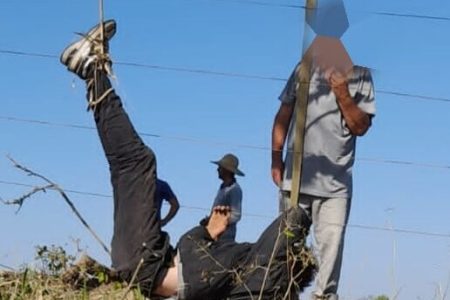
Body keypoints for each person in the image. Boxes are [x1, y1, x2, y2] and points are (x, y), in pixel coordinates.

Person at [60, 20, 316, 300]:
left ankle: (89, 68)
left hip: (145, 263)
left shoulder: (264, 274)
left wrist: (301, 215)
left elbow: (287, 225)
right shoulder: (239, 269)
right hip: (148, 258)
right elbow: (190, 249)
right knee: (130, 166)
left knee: (136, 163)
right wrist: (209, 232)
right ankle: (93, 72)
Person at [271, 38, 376, 300]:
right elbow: (283, 114)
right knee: (286, 251)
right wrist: (276, 158)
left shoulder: (361, 77)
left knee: (330, 257)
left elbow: (360, 127)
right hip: (294, 180)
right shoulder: (302, 70)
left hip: (335, 186)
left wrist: (341, 92)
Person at [210, 153, 243, 240]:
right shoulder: (223, 188)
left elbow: (236, 215)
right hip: (215, 234)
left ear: (226, 170)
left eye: (220, 168)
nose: (217, 170)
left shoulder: (235, 189)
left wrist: (219, 221)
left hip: (225, 237)